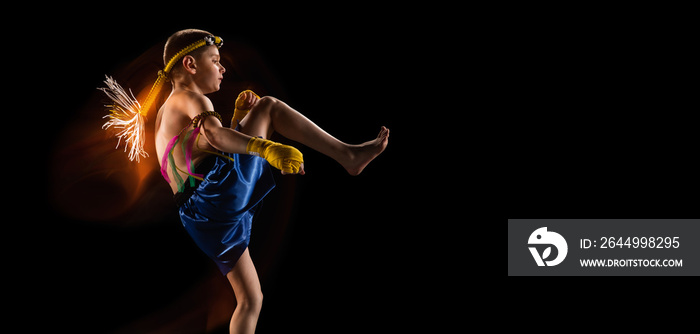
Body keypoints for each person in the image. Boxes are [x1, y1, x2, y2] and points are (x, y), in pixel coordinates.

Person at [100, 29, 389, 334]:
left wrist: (238, 120)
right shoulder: (191, 98)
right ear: (190, 64)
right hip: (212, 197)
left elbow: (203, 149)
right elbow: (214, 136)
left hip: (199, 218)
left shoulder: (167, 111)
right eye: (215, 60)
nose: (222, 68)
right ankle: (348, 156)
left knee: (250, 299)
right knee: (268, 108)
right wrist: (266, 146)